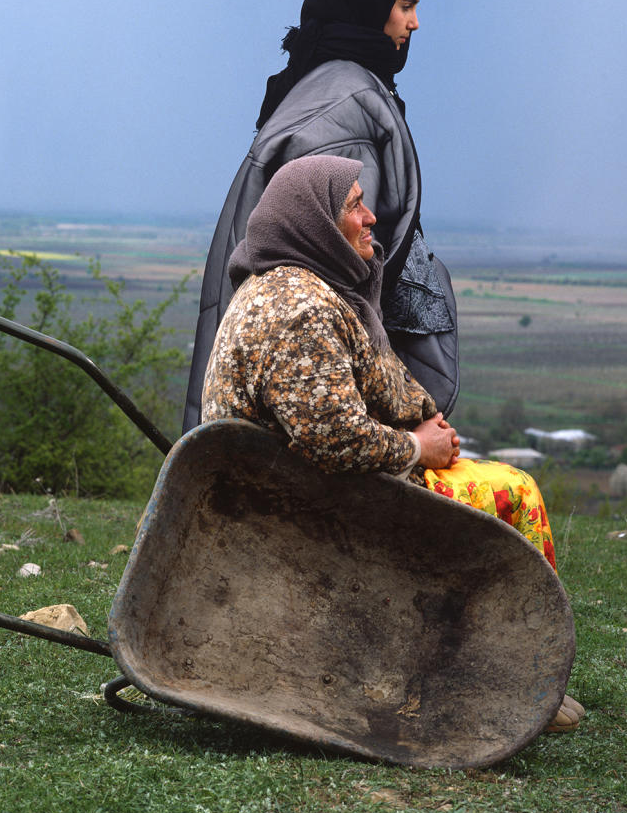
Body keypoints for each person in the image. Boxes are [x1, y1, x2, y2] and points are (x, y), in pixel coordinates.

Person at [201, 154, 585, 734]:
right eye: (354, 205)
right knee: (515, 492)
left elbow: (374, 377)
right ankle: (525, 677)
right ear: (315, 223)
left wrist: (429, 421)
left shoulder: (290, 287)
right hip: (314, 508)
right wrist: (418, 448)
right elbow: (335, 441)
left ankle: (510, 667)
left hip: (302, 489)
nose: (372, 216)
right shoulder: (301, 310)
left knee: (485, 478)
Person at [184, 0, 458, 433]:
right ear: (371, 2)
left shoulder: (336, 88)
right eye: (405, 5)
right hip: (322, 388)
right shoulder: (344, 110)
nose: (415, 22)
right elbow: (334, 268)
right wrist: (390, 423)